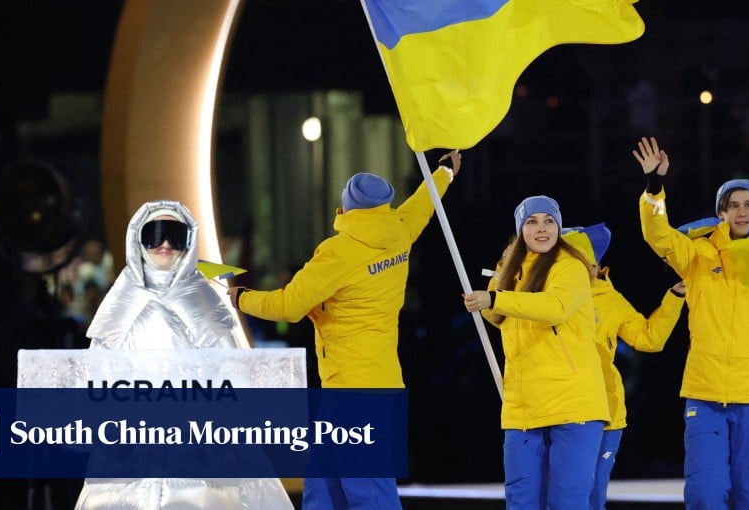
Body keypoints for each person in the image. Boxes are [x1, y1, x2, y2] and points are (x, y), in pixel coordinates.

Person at [230, 152, 460, 509]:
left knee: (368, 493)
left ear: (345, 204)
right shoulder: (398, 231)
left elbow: (289, 306)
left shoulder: (339, 252)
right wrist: (443, 173)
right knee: (324, 488)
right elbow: (423, 204)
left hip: (354, 392)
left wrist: (240, 298)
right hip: (371, 384)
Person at [632, 137, 749, 510]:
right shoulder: (697, 255)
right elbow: (657, 236)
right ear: (721, 213)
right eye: (733, 205)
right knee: (705, 495)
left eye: (748, 204)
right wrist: (654, 186)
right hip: (705, 395)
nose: (742, 212)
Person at [77, 200, 293, 509]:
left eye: (176, 234)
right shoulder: (120, 301)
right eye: (153, 233)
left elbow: (231, 377)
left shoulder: (204, 300)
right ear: (137, 238)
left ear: (188, 241)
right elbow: (98, 375)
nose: (164, 243)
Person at [462, 195, 609, 509]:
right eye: (531, 222)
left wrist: (495, 299)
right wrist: (482, 305)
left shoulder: (570, 267)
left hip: (573, 406)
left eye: (548, 221)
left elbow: (555, 308)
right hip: (523, 406)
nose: (541, 229)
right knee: (521, 500)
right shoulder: (510, 272)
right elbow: (506, 321)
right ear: (520, 230)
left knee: (566, 502)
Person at [563, 223, 686, 509]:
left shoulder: (609, 300)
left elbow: (649, 338)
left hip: (605, 412)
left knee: (593, 496)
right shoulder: (543, 297)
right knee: (561, 495)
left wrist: (675, 297)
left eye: (588, 262)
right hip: (559, 411)